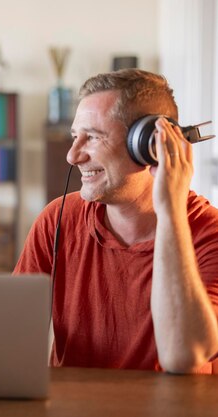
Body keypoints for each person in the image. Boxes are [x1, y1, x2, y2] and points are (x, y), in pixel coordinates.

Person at [15, 69, 218, 374]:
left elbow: (182, 355)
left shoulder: (209, 233)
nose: (72, 156)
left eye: (93, 137)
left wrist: (171, 211)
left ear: (150, 145)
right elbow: (12, 338)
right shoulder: (56, 220)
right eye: (75, 137)